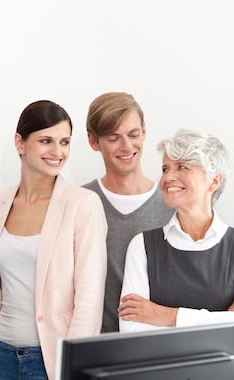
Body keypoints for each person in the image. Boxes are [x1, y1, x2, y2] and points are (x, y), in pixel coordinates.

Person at [0, 100, 107, 380]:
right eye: (46, 141)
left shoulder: (83, 205)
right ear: (20, 143)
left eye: (64, 142)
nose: (58, 151)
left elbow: (89, 301)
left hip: (51, 364)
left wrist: (69, 377)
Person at [118, 128, 234, 349]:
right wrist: (225, 318)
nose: (168, 177)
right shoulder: (142, 246)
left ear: (214, 181)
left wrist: (162, 315)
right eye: (165, 168)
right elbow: (132, 330)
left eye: (182, 167)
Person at [83, 92, 175, 333]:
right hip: (99, 352)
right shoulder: (81, 203)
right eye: (113, 138)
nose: (126, 146)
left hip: (159, 350)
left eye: (133, 134)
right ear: (93, 141)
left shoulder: (173, 204)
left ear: (144, 131)